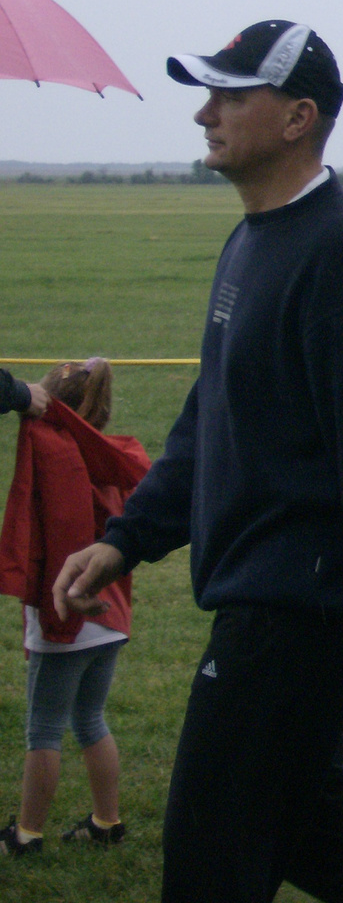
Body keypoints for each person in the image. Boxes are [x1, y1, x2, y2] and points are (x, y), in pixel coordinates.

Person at [52, 20, 343, 903]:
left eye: (229, 96)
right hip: (272, 596)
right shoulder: (255, 239)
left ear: (297, 118)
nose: (203, 114)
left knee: (208, 856)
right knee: (320, 841)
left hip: (298, 613)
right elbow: (212, 416)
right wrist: (129, 537)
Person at [0, 359, 146, 855]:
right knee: (90, 719)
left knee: (42, 728)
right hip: (110, 618)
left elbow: (57, 534)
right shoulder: (108, 456)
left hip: (70, 613)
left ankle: (25, 835)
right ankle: (107, 821)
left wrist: (53, 617)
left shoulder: (58, 457)